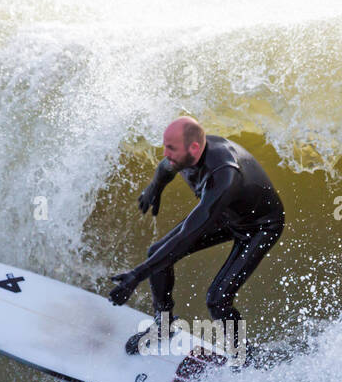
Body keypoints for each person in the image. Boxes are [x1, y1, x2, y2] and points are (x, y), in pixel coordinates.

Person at [108, 118, 285, 357]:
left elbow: (187, 235)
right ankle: (164, 325)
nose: (165, 153)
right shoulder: (185, 156)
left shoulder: (225, 175)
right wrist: (154, 189)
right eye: (165, 146)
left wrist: (136, 276)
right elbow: (165, 168)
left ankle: (244, 354)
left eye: (171, 148)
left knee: (217, 299)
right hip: (225, 213)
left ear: (193, 148)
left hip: (259, 226)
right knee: (157, 254)